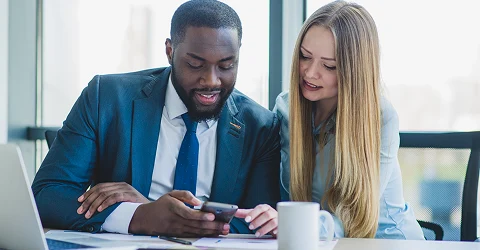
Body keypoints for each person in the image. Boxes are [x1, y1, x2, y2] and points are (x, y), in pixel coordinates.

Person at [32, 0, 279, 238]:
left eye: (226, 65)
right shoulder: (106, 98)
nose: (211, 81)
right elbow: (47, 195)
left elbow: (257, 222)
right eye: (195, 64)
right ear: (170, 51)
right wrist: (140, 215)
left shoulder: (260, 126)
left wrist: (155, 210)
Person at [273, 0, 425, 239]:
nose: (310, 73)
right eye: (305, 56)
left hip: (381, 240)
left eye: (329, 66)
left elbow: (356, 218)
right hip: (314, 240)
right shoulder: (285, 107)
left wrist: (294, 226)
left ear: (354, 71)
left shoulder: (380, 117)